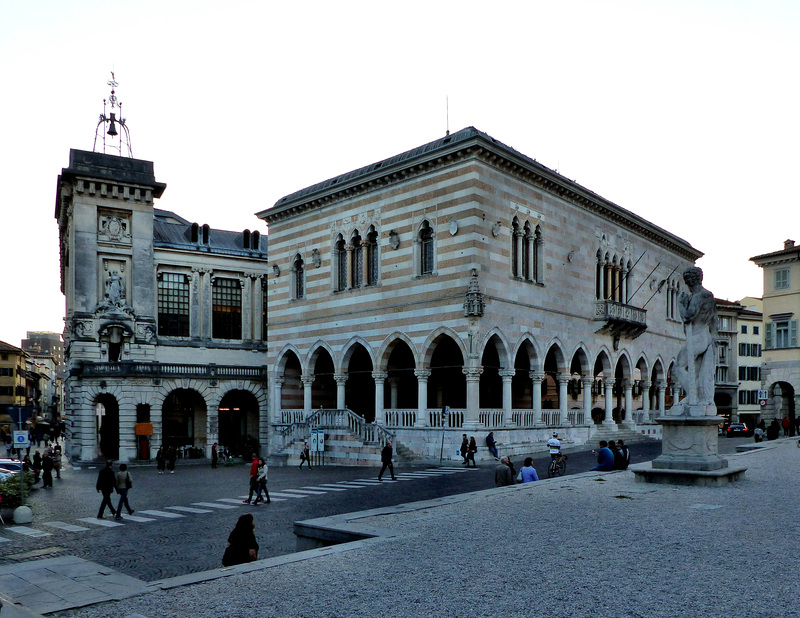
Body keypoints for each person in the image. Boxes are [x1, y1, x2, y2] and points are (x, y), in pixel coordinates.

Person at [673, 267, 717, 407]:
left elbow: (687, 316)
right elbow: (714, 319)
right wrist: (714, 338)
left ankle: (694, 394)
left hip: (697, 336)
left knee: (679, 366)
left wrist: (680, 303)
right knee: (697, 372)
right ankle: (696, 396)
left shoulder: (698, 297)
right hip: (705, 335)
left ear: (690, 281)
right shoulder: (708, 295)